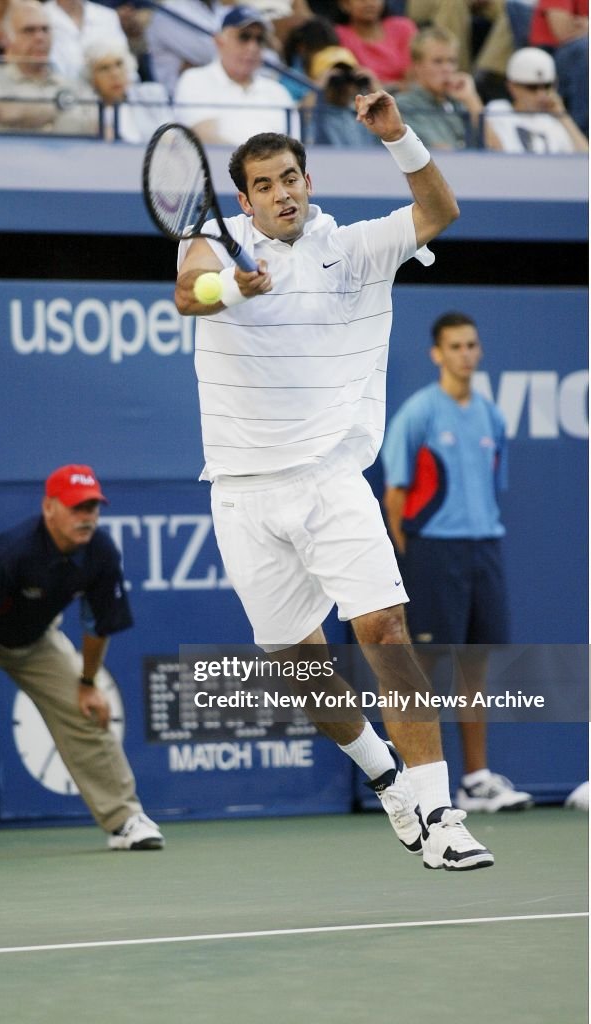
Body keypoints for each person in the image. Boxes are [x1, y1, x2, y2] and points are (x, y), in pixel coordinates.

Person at [174, 96, 495, 870]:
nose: (283, 192)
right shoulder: (211, 245)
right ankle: (385, 776)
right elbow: (190, 292)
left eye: (291, 177)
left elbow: (441, 208)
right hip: (243, 491)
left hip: (329, 478)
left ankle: (441, 814)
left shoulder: (353, 249)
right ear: (244, 200)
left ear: (307, 181)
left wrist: (399, 137)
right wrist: (233, 289)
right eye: (264, 184)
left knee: (384, 629)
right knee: (301, 664)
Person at [0, 464, 164, 860]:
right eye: (76, 508)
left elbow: (98, 623)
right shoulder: (15, 549)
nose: (86, 517)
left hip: (33, 637)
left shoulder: (101, 552)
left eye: (92, 507)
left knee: (84, 710)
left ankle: (125, 820)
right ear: (49, 507)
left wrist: (87, 683)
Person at [380, 312, 534, 812]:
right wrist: (414, 556)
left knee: (475, 665)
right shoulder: (418, 414)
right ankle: (419, 784)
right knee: (419, 666)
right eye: (455, 346)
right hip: (432, 552)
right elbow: (396, 496)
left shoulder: (491, 416)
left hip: (482, 548)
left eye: (471, 345)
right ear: (437, 354)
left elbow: (492, 486)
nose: (465, 354)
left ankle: (477, 779)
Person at [174, 6, 300, 145]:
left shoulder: (278, 92)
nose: (252, 47)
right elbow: (205, 139)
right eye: (244, 37)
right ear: (219, 41)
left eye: (259, 39)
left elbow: (294, 151)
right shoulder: (195, 80)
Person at [0, 0, 95, 133]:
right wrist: (64, 105)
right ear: (8, 39)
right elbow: (8, 112)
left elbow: (97, 125)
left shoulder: (71, 83)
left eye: (45, 30)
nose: (40, 37)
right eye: (29, 30)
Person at [484, 46, 588, 152]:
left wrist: (563, 116)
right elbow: (496, 152)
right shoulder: (499, 110)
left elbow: (585, 159)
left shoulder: (555, 122)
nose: (541, 95)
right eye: (532, 87)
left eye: (547, 86)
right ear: (512, 86)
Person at [396, 26, 484, 149]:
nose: (447, 69)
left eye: (452, 61)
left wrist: (471, 98)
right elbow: (440, 154)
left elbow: (496, 151)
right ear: (418, 66)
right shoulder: (404, 106)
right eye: (438, 61)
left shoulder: (459, 102)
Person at [84, 40, 172, 141]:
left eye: (119, 64)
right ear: (92, 79)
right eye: (104, 68)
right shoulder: (88, 113)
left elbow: (170, 138)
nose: (115, 74)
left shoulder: (151, 94)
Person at [528, 0, 588, 135]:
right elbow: (563, 32)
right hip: (553, 52)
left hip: (575, 49)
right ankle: (583, 132)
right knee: (585, 48)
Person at [334, 0, 417, 91]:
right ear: (345, 5)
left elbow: (416, 72)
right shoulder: (338, 35)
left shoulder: (404, 27)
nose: (369, 3)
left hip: (408, 96)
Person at [44, 0, 129, 84]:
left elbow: (126, 65)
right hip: (60, 92)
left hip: (110, 94)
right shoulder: (42, 17)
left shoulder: (108, 16)